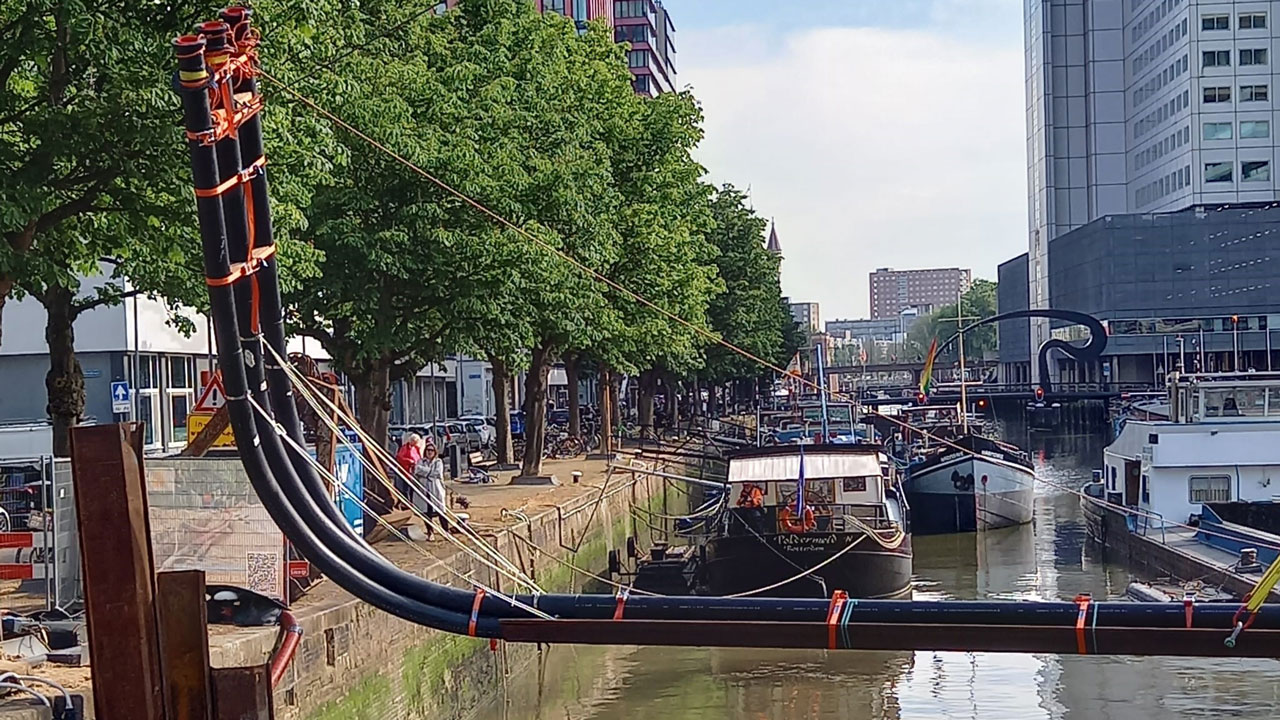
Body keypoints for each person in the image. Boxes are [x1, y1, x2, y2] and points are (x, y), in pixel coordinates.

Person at [413, 438, 447, 539]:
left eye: (431, 450)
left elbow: (437, 473)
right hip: (424, 490)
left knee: (441, 511)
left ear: (435, 452)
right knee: (426, 512)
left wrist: (424, 473)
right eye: (428, 450)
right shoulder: (421, 461)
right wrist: (429, 472)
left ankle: (446, 532)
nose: (429, 452)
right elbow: (417, 470)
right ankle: (430, 532)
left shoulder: (438, 462)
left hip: (436, 490)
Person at [395, 433, 423, 501]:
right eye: (414, 441)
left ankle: (412, 500)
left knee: (413, 487)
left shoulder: (416, 448)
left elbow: (419, 457)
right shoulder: (405, 448)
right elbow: (400, 458)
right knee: (406, 487)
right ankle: (406, 501)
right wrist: (409, 461)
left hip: (414, 471)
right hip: (406, 471)